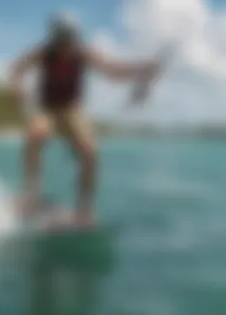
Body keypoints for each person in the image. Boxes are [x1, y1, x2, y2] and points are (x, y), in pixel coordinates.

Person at [10, 12, 160, 227]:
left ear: (75, 37)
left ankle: (83, 210)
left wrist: (141, 69)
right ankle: (31, 196)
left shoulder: (83, 54)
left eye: (69, 40)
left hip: (72, 110)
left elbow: (113, 72)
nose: (65, 46)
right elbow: (17, 69)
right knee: (35, 134)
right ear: (54, 38)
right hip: (47, 109)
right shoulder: (44, 53)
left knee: (90, 154)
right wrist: (18, 87)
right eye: (61, 40)